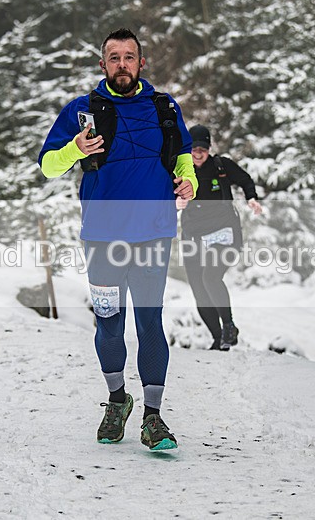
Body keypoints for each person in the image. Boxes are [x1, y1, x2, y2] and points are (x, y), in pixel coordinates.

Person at [38, 28, 196, 451]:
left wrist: (189, 179)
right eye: (114, 57)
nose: (122, 63)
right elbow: (48, 166)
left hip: (153, 235)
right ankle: (116, 401)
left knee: (149, 324)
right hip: (103, 237)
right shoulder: (81, 110)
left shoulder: (164, 107)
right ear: (103, 64)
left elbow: (182, 152)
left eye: (130, 56)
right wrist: (74, 149)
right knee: (109, 326)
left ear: (141, 63)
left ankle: (153, 418)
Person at [178, 125, 262, 350]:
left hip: (223, 232)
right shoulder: (180, 168)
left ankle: (228, 325)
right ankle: (219, 338)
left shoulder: (221, 166)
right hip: (193, 235)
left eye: (203, 149)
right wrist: (175, 201)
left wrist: (251, 198)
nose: (198, 153)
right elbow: (165, 192)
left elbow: (245, 179)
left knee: (210, 277)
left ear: (209, 149)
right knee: (198, 288)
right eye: (194, 148)